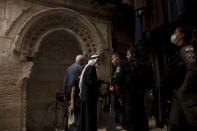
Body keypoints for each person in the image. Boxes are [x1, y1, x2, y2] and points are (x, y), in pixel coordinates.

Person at [168, 26, 197, 131]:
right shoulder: (177, 51)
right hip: (178, 93)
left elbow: (192, 69)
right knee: (174, 124)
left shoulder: (187, 49)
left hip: (186, 94)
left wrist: (184, 88)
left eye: (175, 32)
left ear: (182, 35)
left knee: (191, 122)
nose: (173, 35)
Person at [125, 47, 152, 131]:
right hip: (141, 92)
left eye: (128, 54)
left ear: (133, 55)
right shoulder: (145, 64)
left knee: (131, 116)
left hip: (132, 94)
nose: (127, 56)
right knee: (141, 113)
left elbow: (129, 80)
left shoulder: (132, 65)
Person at [79, 55, 101, 131]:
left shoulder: (88, 67)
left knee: (86, 116)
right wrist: (99, 82)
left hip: (86, 96)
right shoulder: (91, 68)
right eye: (98, 60)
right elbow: (89, 81)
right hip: (89, 97)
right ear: (95, 60)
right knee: (89, 116)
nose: (99, 62)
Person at [110, 52, 127, 130]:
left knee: (122, 108)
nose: (112, 61)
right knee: (121, 108)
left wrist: (112, 84)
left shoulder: (120, 64)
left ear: (117, 57)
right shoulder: (121, 64)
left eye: (113, 59)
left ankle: (124, 124)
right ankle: (123, 124)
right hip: (122, 90)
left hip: (122, 91)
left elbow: (118, 78)